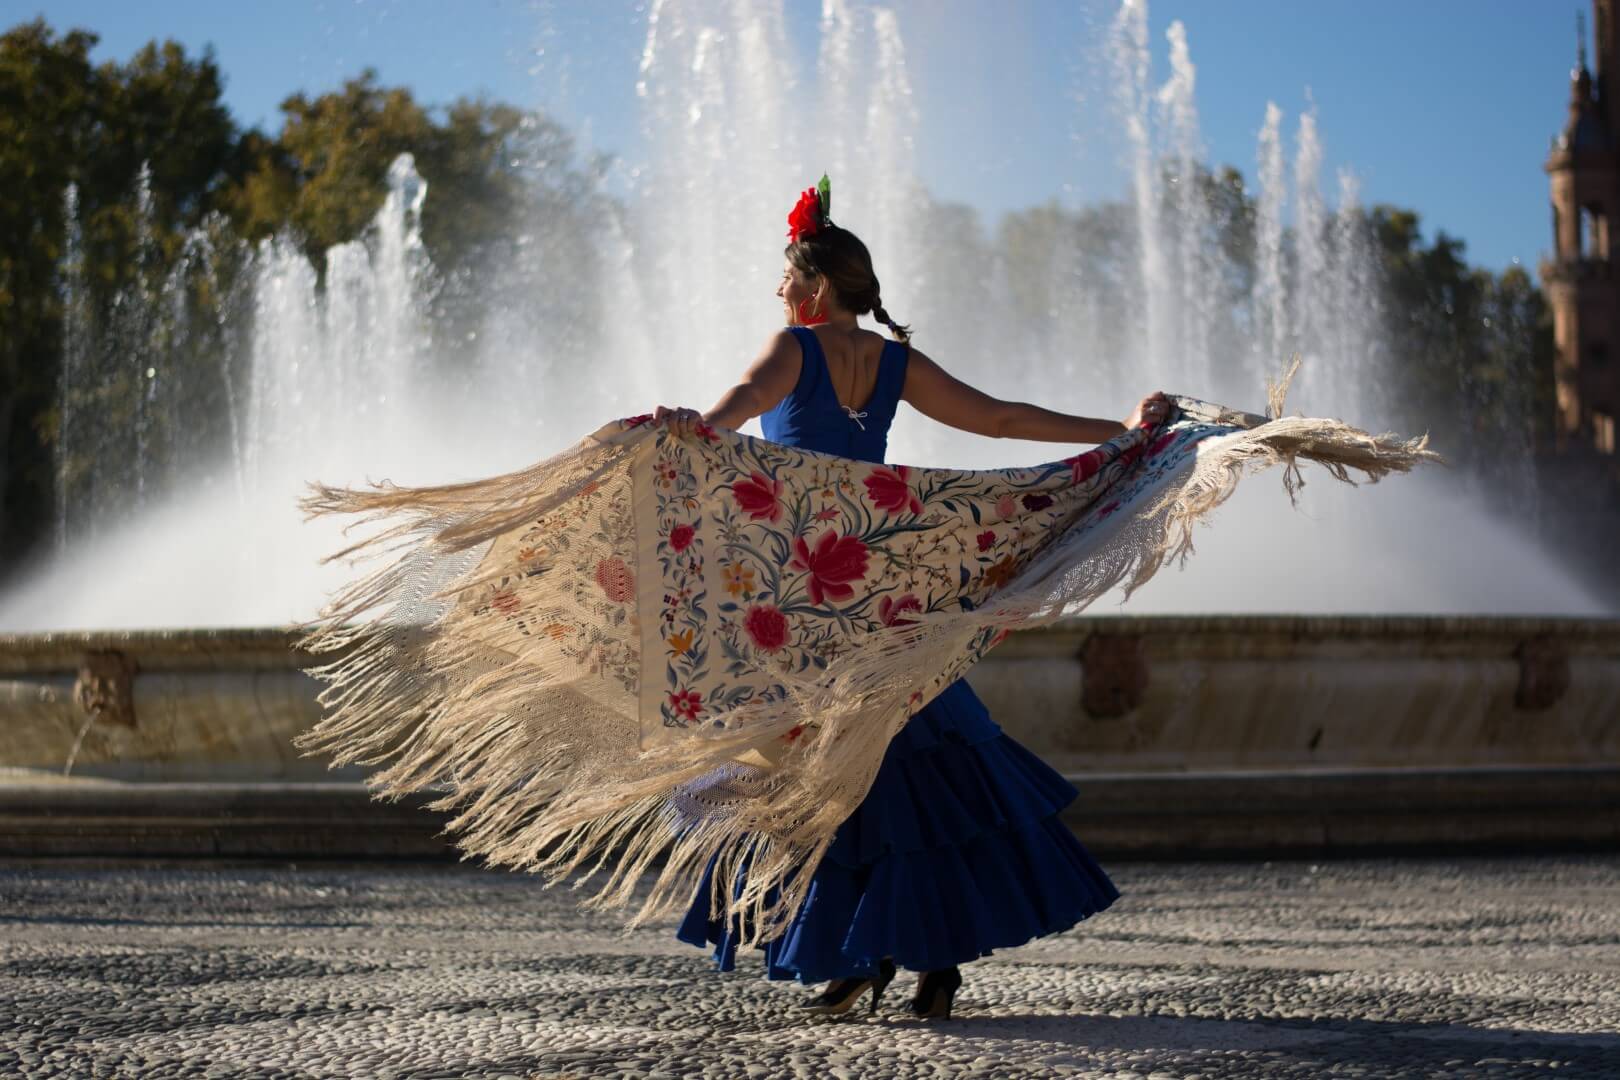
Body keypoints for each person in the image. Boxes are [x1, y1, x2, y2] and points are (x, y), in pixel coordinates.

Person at [658, 182, 1169, 1020]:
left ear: (814, 289)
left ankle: (865, 953)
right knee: (911, 762)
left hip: (813, 597)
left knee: (826, 773)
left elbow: (741, 407)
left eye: (786, 281)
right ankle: (917, 961)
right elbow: (1002, 420)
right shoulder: (895, 363)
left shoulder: (794, 345)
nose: (779, 294)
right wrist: (1115, 432)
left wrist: (695, 426)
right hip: (880, 581)